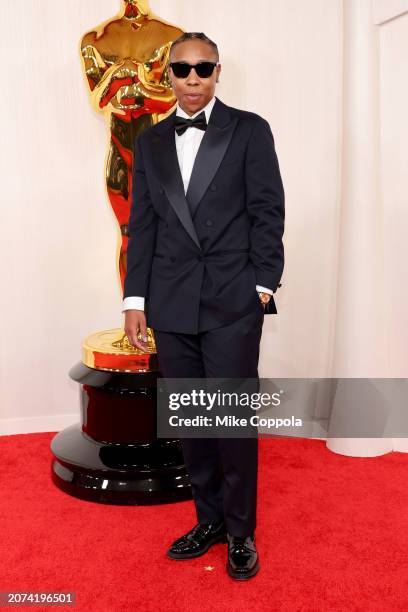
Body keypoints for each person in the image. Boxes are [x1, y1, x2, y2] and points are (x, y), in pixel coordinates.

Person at [122, 32, 285, 580]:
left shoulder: (249, 130)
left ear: (218, 72)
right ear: (166, 74)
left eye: (203, 68)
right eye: (182, 69)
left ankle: (241, 532)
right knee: (192, 422)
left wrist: (262, 287)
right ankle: (209, 519)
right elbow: (141, 224)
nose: (193, 79)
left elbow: (268, 211)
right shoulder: (149, 141)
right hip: (169, 303)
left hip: (231, 300)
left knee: (232, 422)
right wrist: (134, 299)